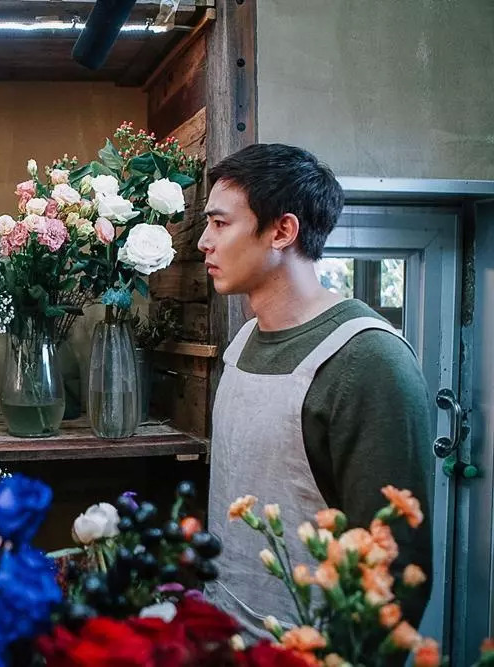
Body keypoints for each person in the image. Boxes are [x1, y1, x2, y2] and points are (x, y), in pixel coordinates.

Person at [199, 144, 433, 637]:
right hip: (224, 628)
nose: (204, 242)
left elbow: (396, 570)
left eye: (220, 223)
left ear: (282, 231)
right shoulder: (243, 341)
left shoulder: (368, 359)